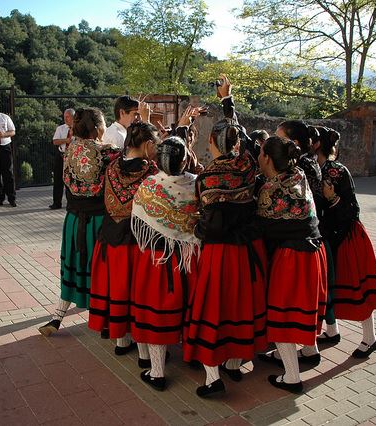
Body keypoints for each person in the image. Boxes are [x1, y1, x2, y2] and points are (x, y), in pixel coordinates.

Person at [182, 75, 268, 398]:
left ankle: (212, 377)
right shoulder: (247, 166)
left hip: (217, 254)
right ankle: (234, 363)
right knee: (236, 306)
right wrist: (227, 101)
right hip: (244, 252)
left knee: (210, 310)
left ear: (212, 144)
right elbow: (246, 141)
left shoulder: (205, 179)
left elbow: (202, 218)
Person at [256, 136, 327, 394]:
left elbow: (263, 228)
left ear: (267, 158)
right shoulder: (298, 175)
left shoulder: (270, 190)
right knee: (304, 307)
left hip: (292, 256)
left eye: (261, 153)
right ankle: (310, 350)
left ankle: (292, 377)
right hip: (314, 251)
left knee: (282, 313)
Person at [38, 108, 119, 336]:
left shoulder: (70, 149)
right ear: (97, 128)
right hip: (98, 222)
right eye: (103, 124)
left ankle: (57, 317)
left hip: (73, 220)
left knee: (72, 267)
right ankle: (104, 321)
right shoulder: (108, 154)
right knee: (101, 272)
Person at [130, 136, 200, 391]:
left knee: (156, 314)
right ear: (185, 159)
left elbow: (138, 223)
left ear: (157, 159)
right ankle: (196, 359)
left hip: (157, 260)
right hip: (191, 257)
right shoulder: (196, 184)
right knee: (192, 310)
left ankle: (157, 372)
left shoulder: (148, 186)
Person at [315, 126, 376, 357]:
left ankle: (370, 338)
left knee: (358, 290)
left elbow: (352, 210)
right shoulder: (312, 168)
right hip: (330, 237)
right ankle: (332, 329)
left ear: (316, 145)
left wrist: (332, 198)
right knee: (332, 289)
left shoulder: (337, 170)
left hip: (348, 237)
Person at [88, 122, 159, 355]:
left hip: (110, 237)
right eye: (156, 144)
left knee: (118, 290)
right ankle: (143, 353)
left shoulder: (111, 167)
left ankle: (121, 340)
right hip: (136, 240)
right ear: (148, 145)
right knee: (136, 293)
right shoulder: (151, 172)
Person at [50, 108, 75, 209]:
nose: (65, 119)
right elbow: (55, 141)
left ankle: (71, 203)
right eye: (64, 117)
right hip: (61, 155)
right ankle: (56, 203)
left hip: (73, 157)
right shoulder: (60, 128)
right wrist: (66, 140)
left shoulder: (78, 129)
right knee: (58, 179)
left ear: (73, 117)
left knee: (71, 180)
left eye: (68, 117)